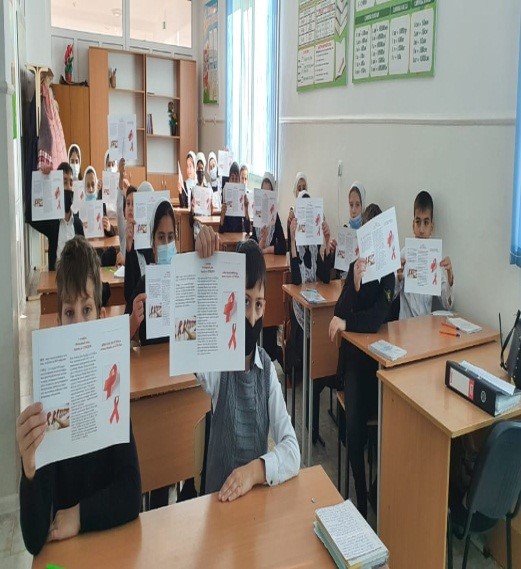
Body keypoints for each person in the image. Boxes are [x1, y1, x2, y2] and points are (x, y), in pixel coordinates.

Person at [16, 236, 141, 555]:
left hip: (110, 547)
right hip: (65, 558)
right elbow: (33, 539)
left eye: (86, 310)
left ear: (100, 315)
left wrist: (79, 515)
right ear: (58, 322)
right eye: (70, 313)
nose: (79, 323)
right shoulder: (48, 402)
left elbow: (131, 494)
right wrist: (29, 470)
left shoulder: (111, 389)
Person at [196, 231, 300, 499]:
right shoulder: (217, 364)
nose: (252, 317)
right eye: (244, 301)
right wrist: (202, 265)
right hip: (218, 505)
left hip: (254, 509)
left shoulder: (267, 371)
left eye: (259, 304)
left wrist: (255, 472)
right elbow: (193, 345)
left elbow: (292, 450)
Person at [328, 203, 396, 518]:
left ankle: (380, 490)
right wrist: (354, 286)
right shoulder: (357, 264)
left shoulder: (388, 274)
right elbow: (338, 312)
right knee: (355, 430)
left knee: (393, 424)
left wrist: (348, 321)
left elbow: (376, 318)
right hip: (356, 361)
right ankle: (361, 497)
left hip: (380, 361)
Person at [289, 191, 336, 445]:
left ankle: (314, 416)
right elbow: (297, 281)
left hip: (317, 314)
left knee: (324, 362)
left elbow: (326, 278)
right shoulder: (297, 244)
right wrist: (293, 241)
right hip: (300, 318)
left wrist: (326, 242)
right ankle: (310, 419)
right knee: (314, 362)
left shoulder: (317, 244)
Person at [396, 190, 454, 318]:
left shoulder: (435, 258)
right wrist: (398, 278)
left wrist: (450, 276)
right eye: (418, 222)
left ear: (431, 228)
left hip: (425, 324)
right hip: (405, 324)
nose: (421, 230)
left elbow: (447, 304)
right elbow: (390, 296)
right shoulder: (404, 255)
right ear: (413, 225)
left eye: (426, 223)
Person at [251, 172, 286, 364]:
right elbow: (251, 246)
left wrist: (266, 249)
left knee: (272, 318)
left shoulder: (275, 217)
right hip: (259, 273)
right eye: (262, 193)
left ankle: (272, 353)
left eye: (269, 193)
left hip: (272, 275)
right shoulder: (256, 218)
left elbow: (283, 246)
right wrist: (261, 242)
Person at [27, 162, 84, 271]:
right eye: (64, 182)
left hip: (75, 277)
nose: (69, 187)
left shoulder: (77, 223)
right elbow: (29, 216)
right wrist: (43, 179)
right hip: (56, 277)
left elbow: (84, 256)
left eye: (71, 182)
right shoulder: (52, 223)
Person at [123, 181, 154, 305]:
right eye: (129, 204)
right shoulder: (133, 245)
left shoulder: (157, 245)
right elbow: (129, 295)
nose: (131, 208)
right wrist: (129, 249)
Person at [219, 162, 251, 234]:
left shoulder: (241, 197)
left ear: (239, 181)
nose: (234, 181)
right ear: (229, 180)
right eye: (232, 178)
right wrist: (222, 215)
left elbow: (248, 230)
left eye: (236, 179)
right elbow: (220, 231)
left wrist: (246, 209)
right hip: (226, 236)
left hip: (238, 236)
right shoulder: (225, 195)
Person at [287, 172, 308, 249]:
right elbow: (290, 241)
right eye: (299, 189)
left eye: (304, 188)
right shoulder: (292, 213)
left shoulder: (312, 210)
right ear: (296, 192)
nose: (302, 191)